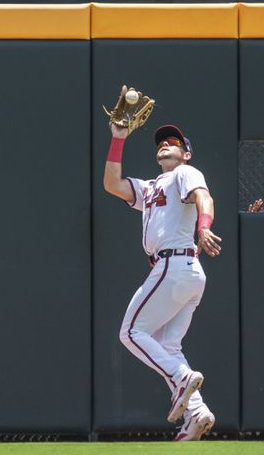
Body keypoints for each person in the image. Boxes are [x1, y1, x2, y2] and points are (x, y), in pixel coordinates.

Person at [103, 93, 221, 442]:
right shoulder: (152, 186)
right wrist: (118, 139)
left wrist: (204, 226)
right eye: (160, 143)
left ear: (186, 153)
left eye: (173, 143)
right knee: (169, 346)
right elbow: (112, 184)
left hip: (174, 264)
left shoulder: (185, 171)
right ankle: (197, 412)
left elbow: (204, 196)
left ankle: (183, 380)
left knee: (131, 333)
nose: (164, 145)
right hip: (186, 273)